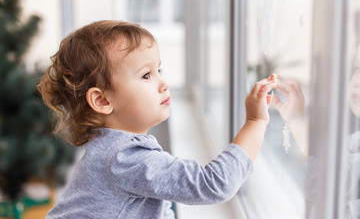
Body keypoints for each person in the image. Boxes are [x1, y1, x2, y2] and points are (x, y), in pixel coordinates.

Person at [37, 20, 277, 219]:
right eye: (146, 75)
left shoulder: (110, 147)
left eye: (158, 71)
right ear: (102, 101)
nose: (163, 84)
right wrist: (255, 122)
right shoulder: (125, 157)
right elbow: (215, 184)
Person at [272, 52, 360, 218]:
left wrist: (298, 123)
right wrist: (296, 120)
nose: (356, 82)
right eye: (357, 69)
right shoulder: (353, 142)